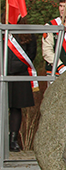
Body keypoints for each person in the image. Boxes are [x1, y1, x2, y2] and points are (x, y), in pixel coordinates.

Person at [7, 20, 37, 152]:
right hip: (2, 73)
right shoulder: (3, 25)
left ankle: (13, 140)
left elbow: (32, 53)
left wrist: (19, 66)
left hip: (19, 74)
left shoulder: (27, 30)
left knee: (16, 107)